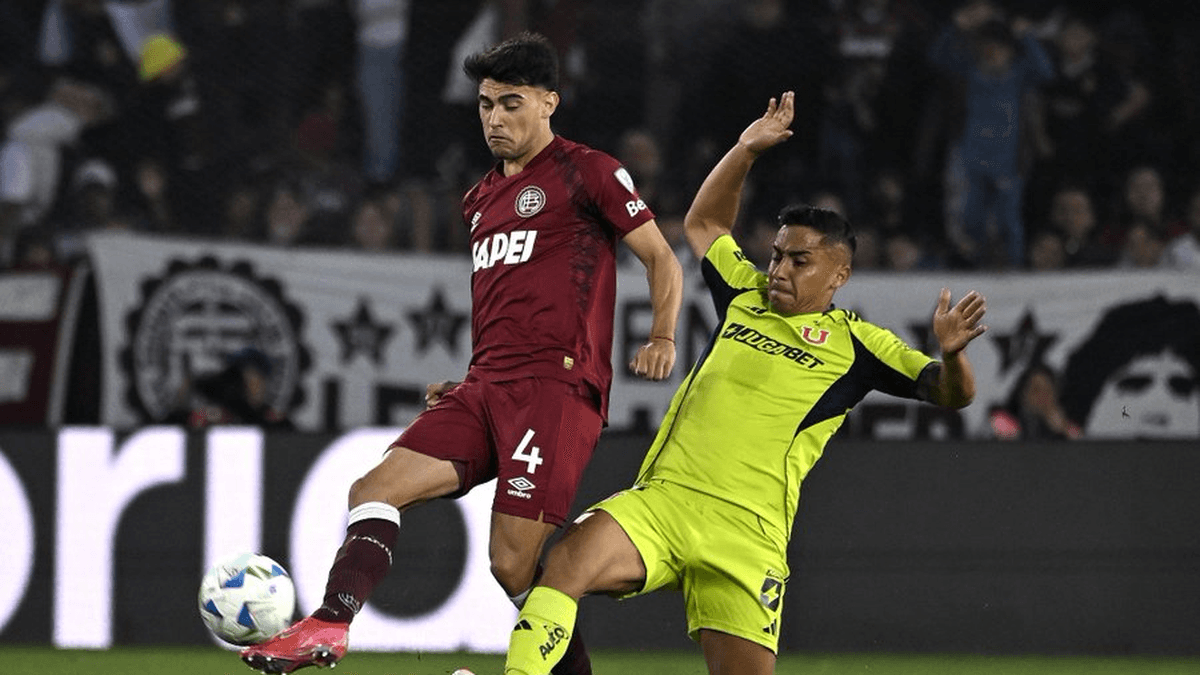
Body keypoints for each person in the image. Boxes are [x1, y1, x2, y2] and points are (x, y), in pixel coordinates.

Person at [239, 32, 683, 674]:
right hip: (484, 388)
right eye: (485, 106)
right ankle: (329, 626)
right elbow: (511, 303)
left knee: (514, 566)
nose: (495, 119)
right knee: (373, 488)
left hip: (554, 391)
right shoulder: (479, 201)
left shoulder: (587, 171)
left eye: (511, 103)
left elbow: (661, 259)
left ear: (549, 102)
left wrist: (663, 336)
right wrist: (472, 376)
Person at [501, 91, 986, 675]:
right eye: (777, 255)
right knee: (567, 562)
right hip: (666, 500)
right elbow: (705, 223)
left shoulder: (861, 345)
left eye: (799, 261)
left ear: (840, 273)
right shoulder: (744, 293)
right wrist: (745, 150)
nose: (779, 270)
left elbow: (950, 393)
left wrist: (954, 355)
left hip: (750, 534)